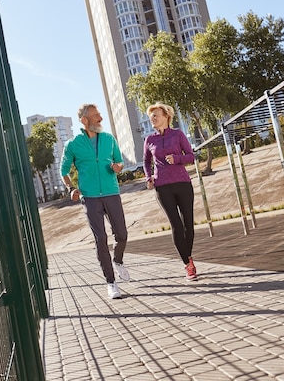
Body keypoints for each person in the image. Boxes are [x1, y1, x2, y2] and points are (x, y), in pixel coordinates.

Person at [60, 103, 130, 299]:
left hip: (111, 192)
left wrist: (118, 166)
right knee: (100, 239)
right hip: (90, 198)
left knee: (122, 235)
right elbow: (63, 171)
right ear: (84, 120)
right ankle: (111, 282)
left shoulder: (109, 139)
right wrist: (71, 188)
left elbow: (119, 160)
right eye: (96, 115)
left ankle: (118, 260)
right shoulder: (73, 145)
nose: (100, 118)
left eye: (100, 114)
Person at [143, 102, 198, 280]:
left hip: (182, 183)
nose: (153, 118)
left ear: (166, 116)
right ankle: (187, 264)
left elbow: (191, 156)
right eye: (151, 116)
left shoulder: (178, 135)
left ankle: (187, 255)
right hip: (162, 186)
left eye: (156, 115)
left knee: (188, 223)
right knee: (176, 224)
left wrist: (176, 158)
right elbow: (146, 161)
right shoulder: (149, 139)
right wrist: (148, 177)